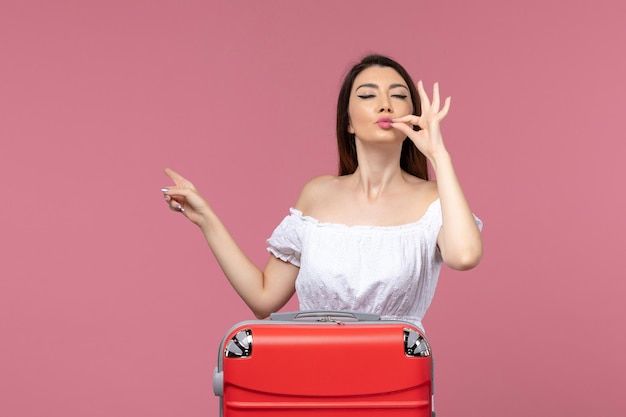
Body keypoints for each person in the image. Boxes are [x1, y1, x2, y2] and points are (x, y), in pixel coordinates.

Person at [161, 54, 483, 332]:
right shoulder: (317, 194)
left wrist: (439, 155)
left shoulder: (433, 200)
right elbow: (263, 299)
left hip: (396, 381)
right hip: (313, 377)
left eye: (398, 95)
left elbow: (464, 256)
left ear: (413, 117)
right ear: (348, 123)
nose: (385, 103)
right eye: (368, 95)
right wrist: (206, 219)